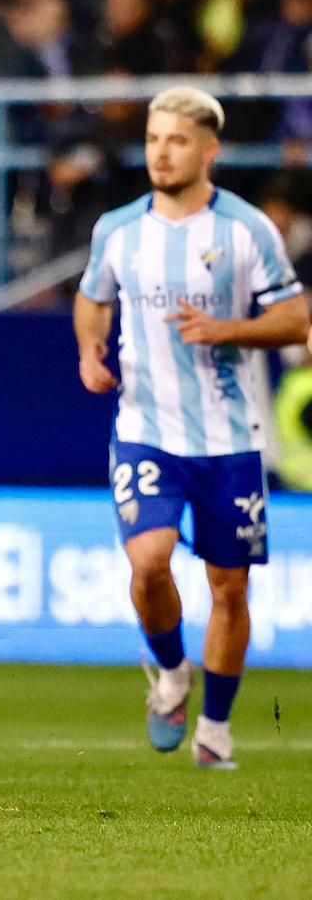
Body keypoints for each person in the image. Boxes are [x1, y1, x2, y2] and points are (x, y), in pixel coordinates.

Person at [75, 86, 310, 769]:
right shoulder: (118, 229)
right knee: (148, 561)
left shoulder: (245, 230)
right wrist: (89, 351)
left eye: (176, 140)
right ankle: (172, 671)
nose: (161, 152)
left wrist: (227, 329)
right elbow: (93, 301)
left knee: (229, 587)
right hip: (147, 428)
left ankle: (215, 727)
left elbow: (295, 320)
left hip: (230, 436)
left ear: (210, 150)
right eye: (153, 139)